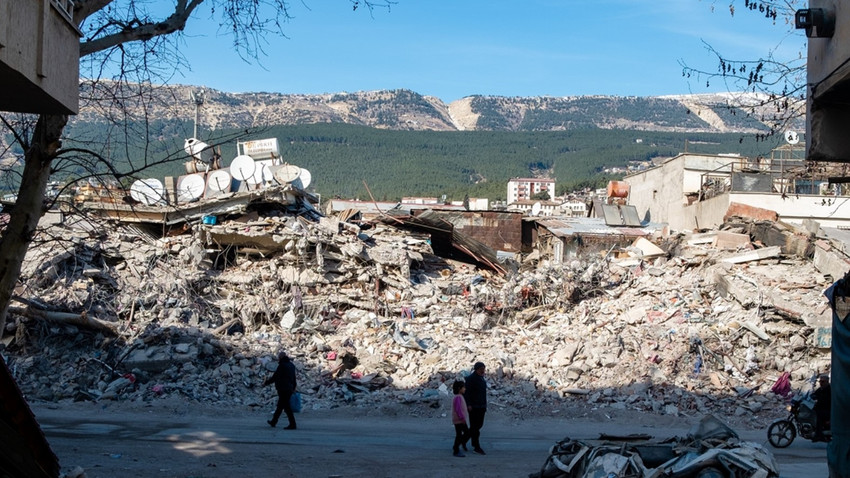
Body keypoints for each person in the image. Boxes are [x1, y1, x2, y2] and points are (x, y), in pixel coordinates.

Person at [263, 351, 297, 430]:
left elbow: (275, 377)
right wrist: (294, 387)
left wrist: (266, 383)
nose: (278, 359)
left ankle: (293, 424)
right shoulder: (292, 365)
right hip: (289, 388)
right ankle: (274, 421)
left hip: (283, 389)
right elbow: (294, 378)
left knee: (286, 407)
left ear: (280, 358)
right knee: (280, 406)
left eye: (278, 357)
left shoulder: (282, 366)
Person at [464, 361, 487, 455]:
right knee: (475, 427)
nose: (483, 371)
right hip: (474, 407)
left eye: (483, 369)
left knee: (478, 426)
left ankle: (463, 440)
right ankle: (476, 446)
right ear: (476, 369)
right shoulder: (471, 379)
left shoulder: (481, 379)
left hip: (481, 406)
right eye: (481, 369)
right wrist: (468, 404)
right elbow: (466, 393)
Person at [451, 380, 470, 458]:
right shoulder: (458, 397)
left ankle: (457, 445)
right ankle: (456, 449)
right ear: (459, 388)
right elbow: (458, 409)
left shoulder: (459, 397)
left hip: (459, 419)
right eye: (463, 387)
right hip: (459, 420)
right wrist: (462, 418)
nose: (465, 389)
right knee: (462, 434)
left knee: (464, 433)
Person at [812, 374, 831, 441]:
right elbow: (814, 394)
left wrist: (819, 398)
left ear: (827, 382)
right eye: (820, 381)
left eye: (823, 381)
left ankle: (819, 435)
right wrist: (812, 396)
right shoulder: (820, 389)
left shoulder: (829, 389)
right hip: (820, 407)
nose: (821, 383)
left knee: (819, 416)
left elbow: (826, 399)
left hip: (827, 409)